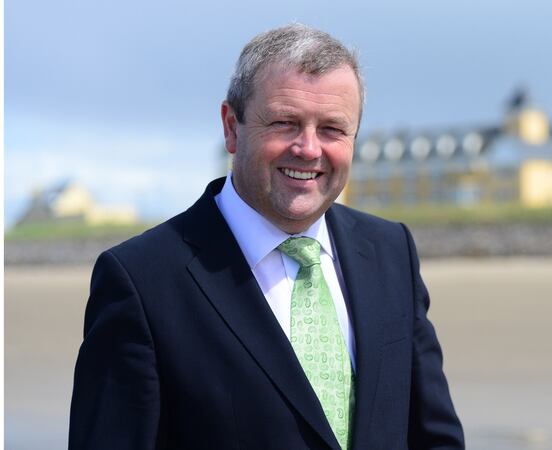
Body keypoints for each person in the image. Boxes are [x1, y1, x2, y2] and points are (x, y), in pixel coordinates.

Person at [68, 24, 464, 450]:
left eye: (332, 128)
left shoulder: (391, 252)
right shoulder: (141, 281)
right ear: (231, 128)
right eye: (284, 122)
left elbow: (435, 437)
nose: (309, 148)